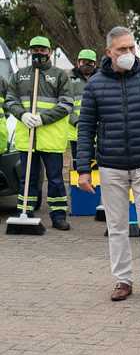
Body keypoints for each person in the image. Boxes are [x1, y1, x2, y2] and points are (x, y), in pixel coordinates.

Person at [76, 26, 140, 302]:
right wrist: (83, 168)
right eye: (122, 49)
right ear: (109, 52)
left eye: (132, 48)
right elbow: (85, 128)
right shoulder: (95, 84)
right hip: (111, 166)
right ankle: (122, 280)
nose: (129, 53)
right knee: (117, 226)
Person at [5, 36, 73, 231]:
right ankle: (25, 212)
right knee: (27, 178)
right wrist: (22, 114)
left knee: (55, 178)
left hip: (51, 138)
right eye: (35, 49)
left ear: (49, 52)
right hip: (27, 138)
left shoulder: (60, 75)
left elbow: (67, 104)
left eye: (42, 50)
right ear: (30, 51)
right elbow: (10, 100)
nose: (38, 53)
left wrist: (44, 118)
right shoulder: (19, 76)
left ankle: (58, 215)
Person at [68, 49, 98, 171]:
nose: (86, 65)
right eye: (83, 62)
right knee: (79, 166)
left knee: (97, 166)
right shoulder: (69, 79)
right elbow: (65, 103)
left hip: (98, 132)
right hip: (76, 132)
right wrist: (76, 122)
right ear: (77, 63)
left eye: (90, 63)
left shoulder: (102, 79)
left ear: (95, 64)